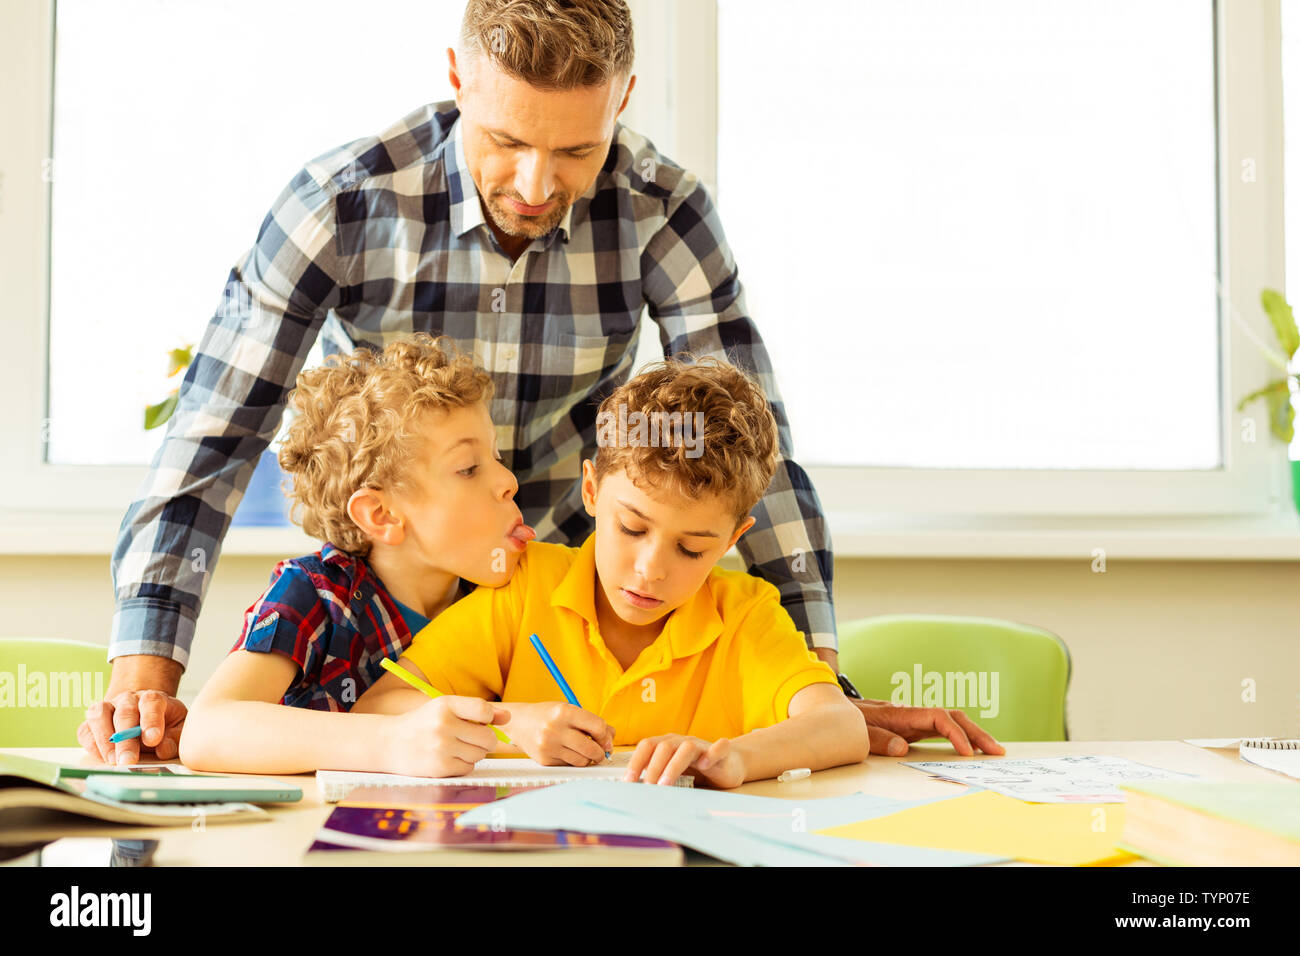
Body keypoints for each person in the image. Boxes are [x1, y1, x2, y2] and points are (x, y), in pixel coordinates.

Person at [83, 0, 1000, 766]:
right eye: (508, 138)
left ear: (623, 102)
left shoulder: (662, 210)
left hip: (554, 621)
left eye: (575, 152)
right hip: (398, 627)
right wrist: (145, 675)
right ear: (457, 77)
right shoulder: (342, 202)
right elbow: (217, 435)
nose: (534, 184)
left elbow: (751, 447)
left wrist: (819, 689)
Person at [353, 358, 871, 788]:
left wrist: (734, 758)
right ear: (593, 491)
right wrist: (515, 725)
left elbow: (840, 725)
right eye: (631, 528)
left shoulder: (743, 615)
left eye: (691, 550)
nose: (650, 571)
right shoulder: (528, 586)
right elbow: (381, 708)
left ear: (733, 540)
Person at [178, 335, 532, 774]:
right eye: (469, 468)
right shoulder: (315, 594)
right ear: (381, 514)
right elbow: (208, 730)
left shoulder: (508, 597)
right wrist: (390, 742)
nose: (509, 480)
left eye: (496, 456)